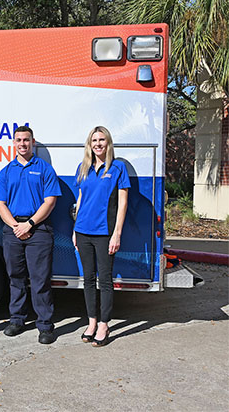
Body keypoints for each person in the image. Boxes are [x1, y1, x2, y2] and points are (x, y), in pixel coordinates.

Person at [0, 126, 61, 344]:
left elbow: (50, 201)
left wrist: (30, 224)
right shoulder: (6, 171)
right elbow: (0, 204)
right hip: (13, 229)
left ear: (33, 142)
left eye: (26, 140)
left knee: (40, 279)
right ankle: (17, 320)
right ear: (13, 143)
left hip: (39, 230)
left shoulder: (44, 169)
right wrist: (16, 226)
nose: (22, 143)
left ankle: (45, 325)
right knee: (16, 278)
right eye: (18, 140)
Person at [73, 126, 129, 347]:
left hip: (105, 233)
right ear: (90, 144)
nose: (98, 144)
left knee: (104, 281)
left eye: (101, 139)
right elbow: (80, 199)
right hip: (83, 231)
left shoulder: (117, 168)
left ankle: (105, 324)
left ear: (108, 143)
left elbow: (123, 203)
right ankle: (92, 322)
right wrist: (74, 229)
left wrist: (117, 233)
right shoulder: (83, 167)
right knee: (87, 280)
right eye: (94, 140)